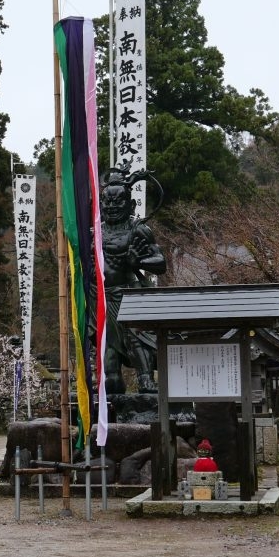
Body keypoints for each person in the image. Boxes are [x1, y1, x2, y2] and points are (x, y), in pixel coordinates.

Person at [96, 169, 167, 394]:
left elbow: (160, 262)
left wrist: (139, 262)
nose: (112, 206)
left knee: (136, 337)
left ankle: (145, 378)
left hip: (128, 294)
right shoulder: (95, 231)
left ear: (131, 204)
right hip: (101, 295)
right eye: (107, 202)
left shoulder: (138, 229)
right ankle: (111, 382)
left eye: (118, 202)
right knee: (107, 344)